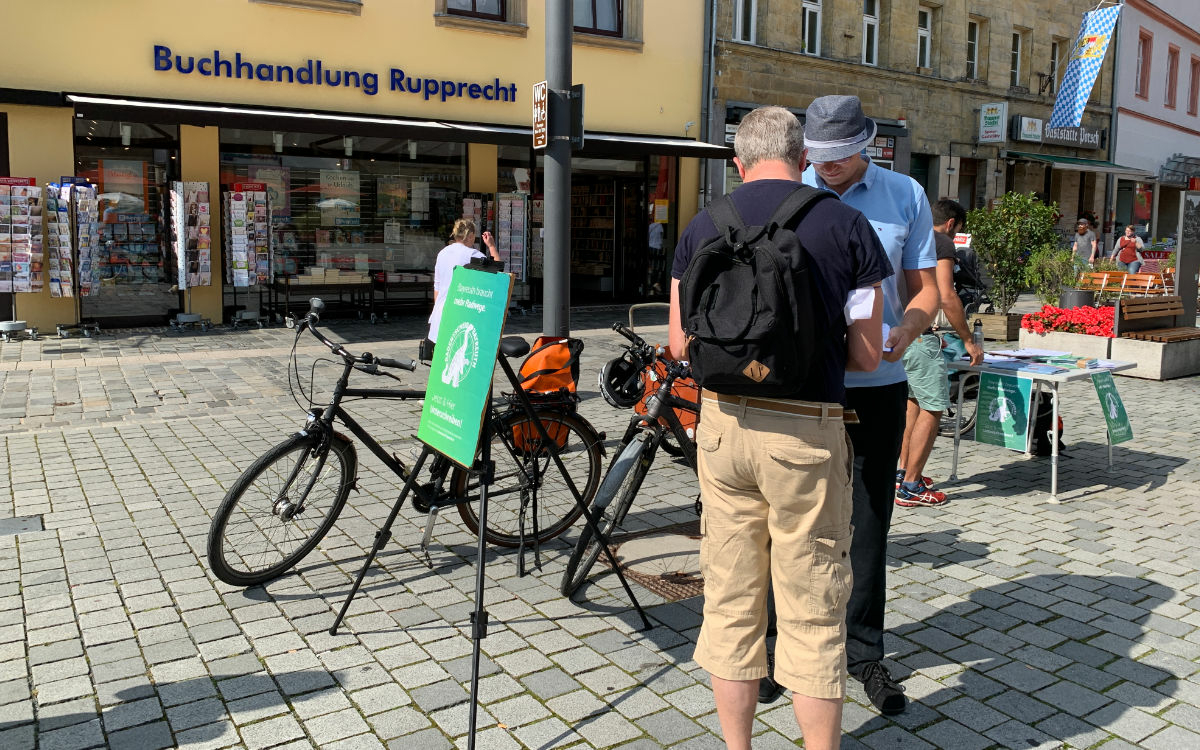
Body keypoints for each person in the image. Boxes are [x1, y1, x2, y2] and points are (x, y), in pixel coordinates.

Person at [668, 105, 890, 750]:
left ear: (738, 163)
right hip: (805, 433)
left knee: (731, 605)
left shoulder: (703, 225)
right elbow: (866, 357)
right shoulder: (847, 226)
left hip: (723, 430)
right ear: (804, 158)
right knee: (814, 608)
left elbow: (681, 343)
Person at [801, 94, 940, 716]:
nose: (826, 165)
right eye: (818, 153)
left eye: (839, 154)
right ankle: (786, 646)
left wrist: (910, 327)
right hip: (802, 384)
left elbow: (926, 289)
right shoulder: (789, 188)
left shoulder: (904, 195)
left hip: (877, 385)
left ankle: (864, 653)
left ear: (866, 144)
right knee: (794, 522)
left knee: (868, 523)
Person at [896, 199, 984, 508]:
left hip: (900, 334)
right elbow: (946, 295)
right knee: (932, 408)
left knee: (912, 405)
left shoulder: (908, 233)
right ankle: (911, 486)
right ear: (951, 224)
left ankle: (902, 472)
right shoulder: (942, 242)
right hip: (920, 336)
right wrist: (968, 340)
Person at [425, 218, 498, 352]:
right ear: (470, 236)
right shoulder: (474, 255)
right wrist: (491, 246)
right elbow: (498, 273)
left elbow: (438, 288)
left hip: (441, 314)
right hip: (462, 315)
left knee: (442, 361)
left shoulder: (443, 253)